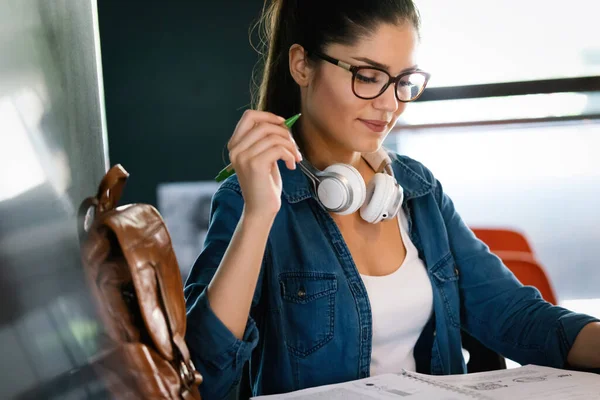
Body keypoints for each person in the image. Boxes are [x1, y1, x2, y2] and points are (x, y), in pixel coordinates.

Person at [183, 1, 600, 398]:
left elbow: (515, 316)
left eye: (404, 81)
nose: (390, 104)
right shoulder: (248, 200)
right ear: (302, 64)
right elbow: (203, 379)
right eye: (367, 76)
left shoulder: (417, 189)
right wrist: (259, 215)